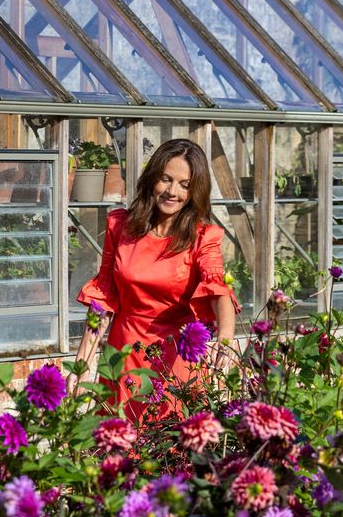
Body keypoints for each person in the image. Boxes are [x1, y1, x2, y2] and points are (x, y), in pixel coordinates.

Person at [71, 138, 239, 421]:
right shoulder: (121, 226)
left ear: (194, 191)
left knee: (168, 448)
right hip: (121, 355)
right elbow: (103, 296)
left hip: (175, 358)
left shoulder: (202, 237)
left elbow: (219, 289)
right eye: (166, 179)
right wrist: (82, 365)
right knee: (119, 446)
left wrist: (226, 340)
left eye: (184, 184)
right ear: (152, 179)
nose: (172, 191)